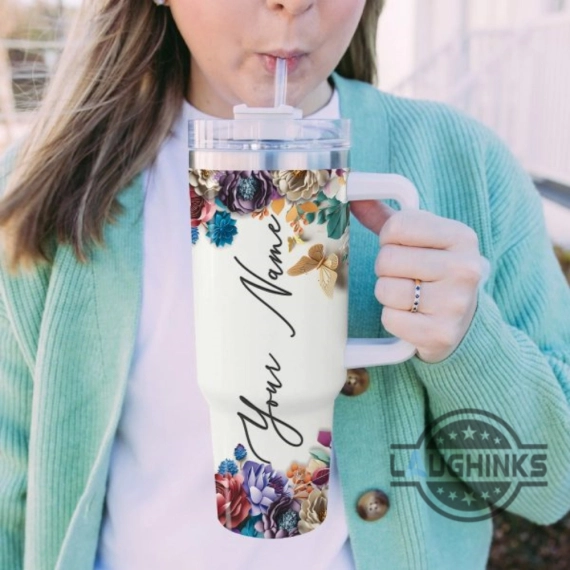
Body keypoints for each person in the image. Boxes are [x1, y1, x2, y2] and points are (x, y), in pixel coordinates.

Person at [0, 0, 569, 569]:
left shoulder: (464, 165)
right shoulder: (48, 189)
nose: (292, 3)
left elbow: (551, 486)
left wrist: (469, 344)